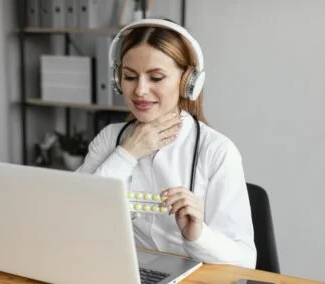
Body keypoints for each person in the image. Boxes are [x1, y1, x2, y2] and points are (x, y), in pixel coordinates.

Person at [76, 19, 256, 268]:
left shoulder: (217, 152)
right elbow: (74, 217)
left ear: (187, 82)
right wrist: (127, 154)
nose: (139, 90)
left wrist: (197, 235)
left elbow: (246, 260)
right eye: (129, 76)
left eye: (156, 78)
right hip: (118, 276)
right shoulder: (111, 139)